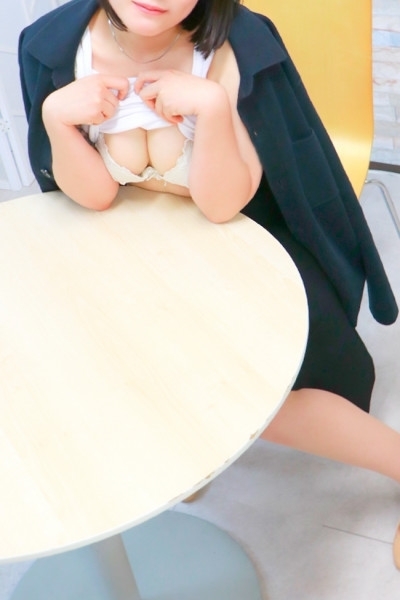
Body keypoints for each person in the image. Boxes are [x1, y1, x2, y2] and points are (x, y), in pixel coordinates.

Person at [18, 0, 400, 567]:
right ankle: (195, 440)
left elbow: (223, 205)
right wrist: (56, 119)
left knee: (252, 398)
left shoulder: (237, 45)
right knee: (89, 374)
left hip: (241, 247)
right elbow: (93, 195)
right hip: (133, 258)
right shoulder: (52, 46)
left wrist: (214, 109)